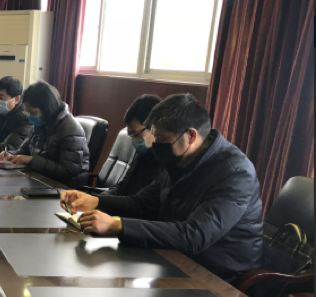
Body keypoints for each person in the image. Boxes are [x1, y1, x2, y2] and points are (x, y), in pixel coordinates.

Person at [60, 94, 264, 281]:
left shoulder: (235, 173)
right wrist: (96, 201)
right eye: (155, 136)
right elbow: (141, 203)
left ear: (191, 136)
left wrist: (118, 225)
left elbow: (194, 235)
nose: (156, 144)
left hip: (218, 275)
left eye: (162, 139)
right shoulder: (178, 159)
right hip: (174, 257)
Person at [0, 80, 90, 186]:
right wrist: (11, 156)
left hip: (65, 187)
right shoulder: (41, 124)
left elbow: (67, 172)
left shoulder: (70, 130)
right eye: (28, 112)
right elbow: (24, 151)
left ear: (47, 109)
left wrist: (31, 160)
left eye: (33, 112)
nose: (30, 116)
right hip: (41, 179)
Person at [104, 94, 163, 196]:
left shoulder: (163, 164)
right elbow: (123, 186)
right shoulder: (142, 154)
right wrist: (99, 198)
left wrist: (99, 201)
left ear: (155, 128)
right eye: (131, 135)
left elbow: (138, 201)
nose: (134, 140)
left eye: (136, 134)